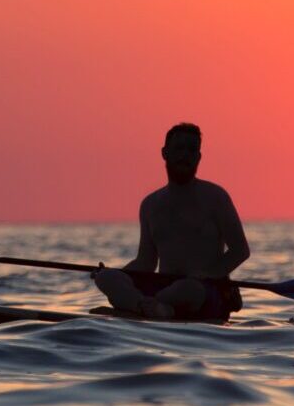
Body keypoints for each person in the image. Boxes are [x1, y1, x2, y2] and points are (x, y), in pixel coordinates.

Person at [93, 122, 251, 321]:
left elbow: (240, 250)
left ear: (199, 157)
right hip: (162, 286)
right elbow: (146, 262)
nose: (185, 155)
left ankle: (145, 306)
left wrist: (210, 273)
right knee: (106, 278)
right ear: (165, 153)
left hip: (202, 291)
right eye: (179, 148)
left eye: (192, 150)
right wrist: (116, 273)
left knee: (187, 289)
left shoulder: (216, 197)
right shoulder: (150, 204)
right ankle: (148, 307)